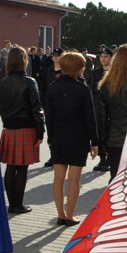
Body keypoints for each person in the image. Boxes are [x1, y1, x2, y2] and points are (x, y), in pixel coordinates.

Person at [44, 52, 99, 227]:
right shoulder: (83, 89)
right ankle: (70, 215)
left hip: (58, 137)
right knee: (74, 179)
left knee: (58, 177)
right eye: (82, 66)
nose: (83, 69)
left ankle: (60, 214)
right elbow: (90, 118)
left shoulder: (53, 88)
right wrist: (94, 142)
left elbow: (49, 117)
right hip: (78, 138)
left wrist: (50, 138)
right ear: (77, 68)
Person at [0, 46, 45, 215]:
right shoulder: (30, 82)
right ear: (24, 61)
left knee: (10, 167)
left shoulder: (3, 81)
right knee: (22, 168)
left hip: (9, 128)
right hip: (26, 127)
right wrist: (41, 131)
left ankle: (11, 204)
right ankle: (18, 205)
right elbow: (37, 108)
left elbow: (2, 107)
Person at [97, 43, 127, 179]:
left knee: (116, 178)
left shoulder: (106, 84)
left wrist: (102, 143)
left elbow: (101, 117)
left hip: (114, 139)